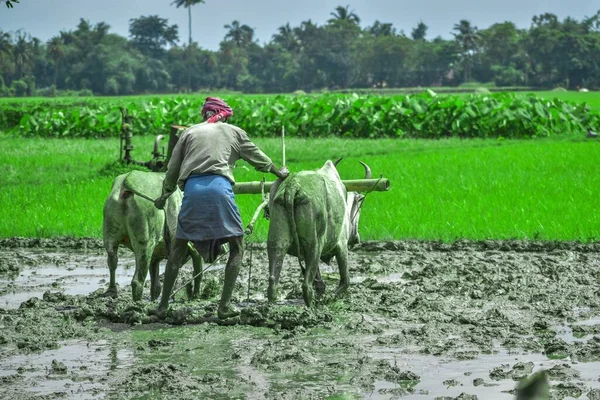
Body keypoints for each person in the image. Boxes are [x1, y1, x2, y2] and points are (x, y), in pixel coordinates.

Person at [153, 97, 288, 319]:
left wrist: (165, 194)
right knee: (237, 245)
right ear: (223, 115)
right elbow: (257, 158)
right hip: (220, 190)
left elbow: (172, 169)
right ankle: (224, 306)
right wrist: (278, 172)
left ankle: (162, 306)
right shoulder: (234, 131)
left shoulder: (188, 133)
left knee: (177, 250)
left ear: (205, 114)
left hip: (192, 191)